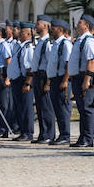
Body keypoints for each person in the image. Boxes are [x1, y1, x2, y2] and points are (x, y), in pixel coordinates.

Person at [72, 14, 94, 147]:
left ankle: (88, 138)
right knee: (82, 109)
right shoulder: (79, 40)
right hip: (77, 77)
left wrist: (87, 80)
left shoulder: (88, 41)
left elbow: (91, 61)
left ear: (86, 26)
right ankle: (83, 136)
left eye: (80, 22)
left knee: (87, 109)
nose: (77, 24)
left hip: (84, 77)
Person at [7, 22, 36, 141]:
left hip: (23, 80)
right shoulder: (21, 47)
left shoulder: (29, 48)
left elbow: (30, 67)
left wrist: (28, 83)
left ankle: (28, 132)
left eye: (22, 31)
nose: (19, 33)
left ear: (29, 33)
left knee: (26, 107)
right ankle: (22, 130)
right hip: (16, 81)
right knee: (19, 107)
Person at [46, 20, 72, 146]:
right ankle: (61, 134)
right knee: (57, 108)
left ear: (60, 29)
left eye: (53, 28)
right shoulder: (55, 44)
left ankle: (65, 135)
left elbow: (68, 63)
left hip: (61, 79)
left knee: (63, 108)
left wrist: (65, 80)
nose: (51, 30)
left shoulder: (65, 44)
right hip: (54, 79)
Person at [31, 16, 54, 144]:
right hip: (37, 75)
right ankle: (42, 133)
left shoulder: (47, 43)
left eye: (38, 23)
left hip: (44, 76)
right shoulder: (39, 42)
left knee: (46, 107)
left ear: (45, 26)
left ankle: (49, 134)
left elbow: (50, 63)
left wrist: (48, 82)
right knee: (40, 107)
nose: (36, 25)